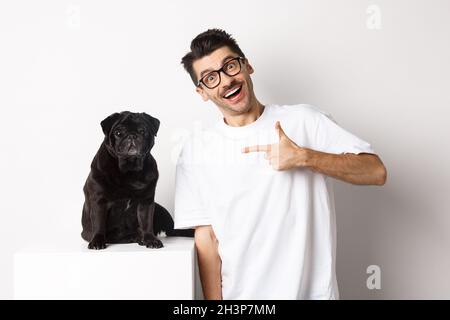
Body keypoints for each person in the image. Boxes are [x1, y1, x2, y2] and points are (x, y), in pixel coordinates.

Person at [174, 29, 387, 300]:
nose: (226, 81)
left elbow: (376, 171)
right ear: (202, 92)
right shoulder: (195, 151)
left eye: (230, 66)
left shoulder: (304, 120)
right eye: (211, 78)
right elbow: (207, 240)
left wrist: (305, 157)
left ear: (247, 65)